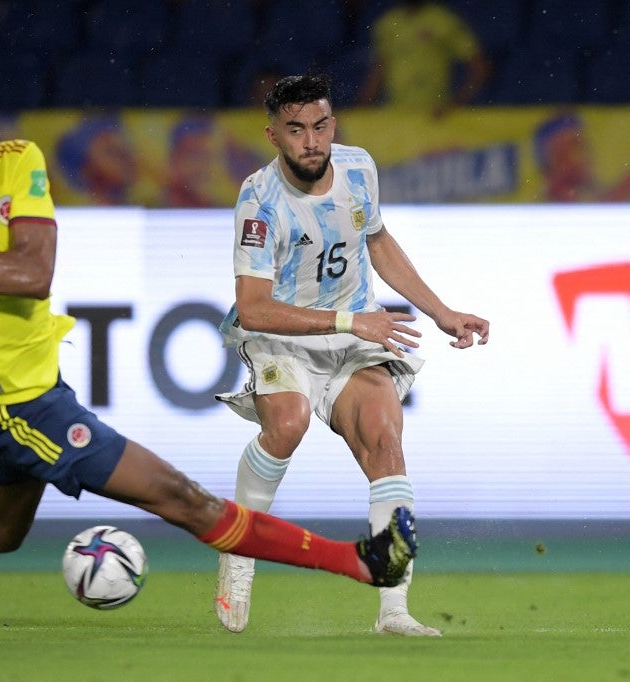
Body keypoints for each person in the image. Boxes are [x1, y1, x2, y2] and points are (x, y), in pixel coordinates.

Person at [0, 71, 420, 640]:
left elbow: (33, 272)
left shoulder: (19, 162)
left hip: (34, 393)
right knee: (184, 500)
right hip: (15, 408)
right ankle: (361, 562)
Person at [213, 73, 489, 636]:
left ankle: (394, 610)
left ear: (333, 124)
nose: (311, 141)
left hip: (352, 336)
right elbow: (255, 308)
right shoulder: (259, 199)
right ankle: (237, 554)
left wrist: (440, 312)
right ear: (273, 136)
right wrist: (350, 320)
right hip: (284, 338)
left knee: (387, 439)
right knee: (287, 425)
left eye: (320, 126)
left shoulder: (359, 167)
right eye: (296, 130)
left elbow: (378, 241)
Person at [356, 0, 490, 116]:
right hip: (396, 115)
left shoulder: (442, 20)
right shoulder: (387, 23)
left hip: (435, 115)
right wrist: (362, 110)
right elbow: (379, 70)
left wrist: (456, 104)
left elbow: (479, 67)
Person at [533, 112, 630, 202]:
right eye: (573, 149)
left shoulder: (589, 198)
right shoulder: (533, 210)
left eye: (583, 149)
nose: (582, 159)